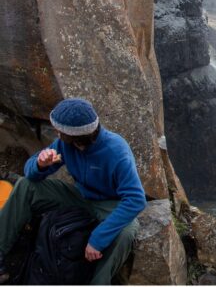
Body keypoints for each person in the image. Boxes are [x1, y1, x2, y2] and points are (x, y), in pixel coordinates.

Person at [0, 98, 147, 285]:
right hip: (79, 196)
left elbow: (136, 199)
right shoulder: (64, 144)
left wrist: (97, 239)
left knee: (127, 231)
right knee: (25, 186)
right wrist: (39, 164)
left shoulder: (116, 151)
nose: (56, 132)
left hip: (109, 204)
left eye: (60, 129)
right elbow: (30, 174)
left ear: (75, 133)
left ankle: (98, 282)